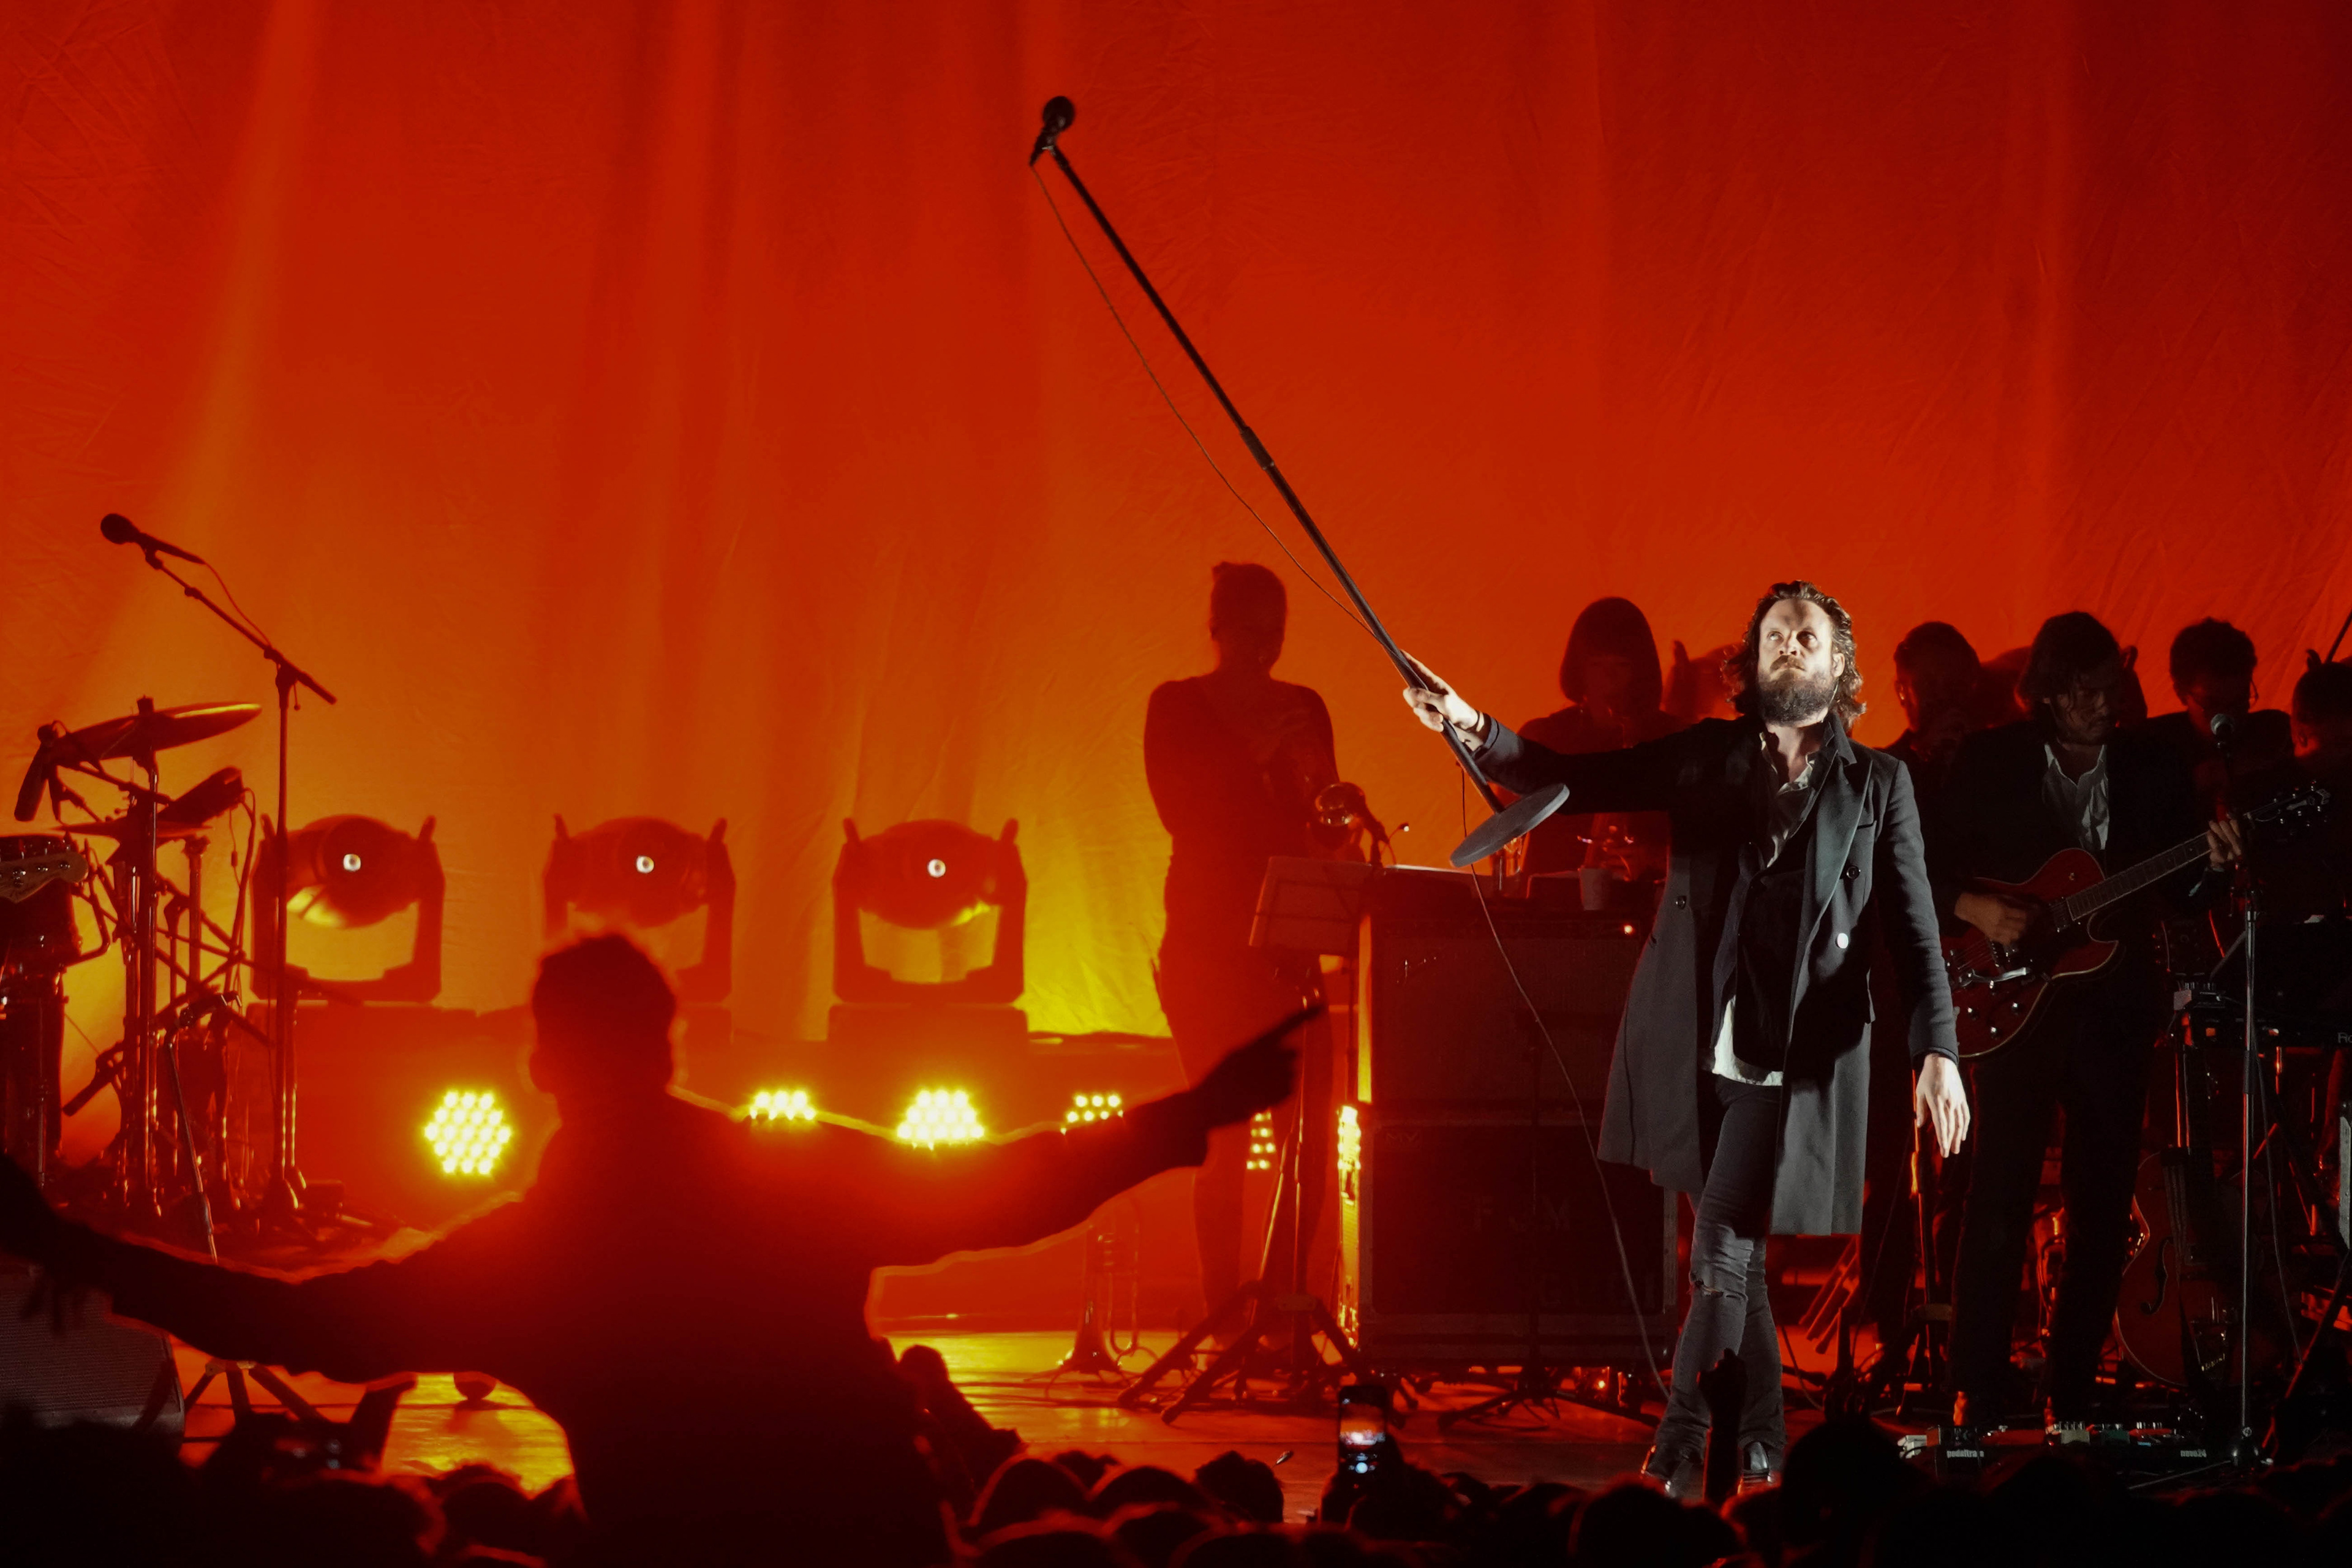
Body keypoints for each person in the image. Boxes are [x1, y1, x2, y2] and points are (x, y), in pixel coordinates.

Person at [0, 934, 1299, 1567]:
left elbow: (302, 1325)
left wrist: (68, 1241)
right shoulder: (784, 1173)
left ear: (543, 1068)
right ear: (671, 1047)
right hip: (876, 1546)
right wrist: (1189, 1111)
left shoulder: (537, 1258)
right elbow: (1009, 1187)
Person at [1400, 581, 1969, 1498]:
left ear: (1839, 664)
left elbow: (1912, 924)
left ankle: (1678, 1444)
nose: (1791, 646)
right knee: (1735, 1261)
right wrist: (1468, 722)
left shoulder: (1878, 784)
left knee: (1719, 1256)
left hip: (1802, 1057)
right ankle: (1764, 1443)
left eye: (1808, 636)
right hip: (1703, 1041)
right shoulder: (1709, 755)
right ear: (1752, 659)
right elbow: (1574, 779)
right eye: (1776, 634)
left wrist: (1937, 1051)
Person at [1932, 612, 2241, 1441]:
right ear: (2050, 692)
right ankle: (1973, 1389)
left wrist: (2214, 866)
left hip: (2112, 1011)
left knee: (2102, 1208)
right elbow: (1917, 861)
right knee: (1997, 1201)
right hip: (2011, 1005)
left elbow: (2181, 891)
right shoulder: (1992, 759)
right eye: (2090, 692)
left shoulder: (2150, 764)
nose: (2109, 705)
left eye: (2114, 689)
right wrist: (1974, 907)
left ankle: (2070, 1391)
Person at [1145, 562, 1343, 1324]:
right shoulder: (1176, 705)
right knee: (1222, 1138)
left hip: (1287, 947)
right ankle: (1222, 1313)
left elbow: (1322, 818)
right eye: (1252, 629)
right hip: (1208, 945)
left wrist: (1323, 804)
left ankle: (1285, 1306)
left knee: (1309, 1136)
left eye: (1277, 631)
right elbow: (1181, 812)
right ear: (1219, 629)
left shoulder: (1305, 705)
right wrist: (1252, 754)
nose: (1266, 646)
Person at [1858, 621, 1993, 1362]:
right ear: (1902, 693)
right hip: (1898, 995)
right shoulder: (1881, 773)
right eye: (1925, 687)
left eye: (1952, 685)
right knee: (1890, 1161)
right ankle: (1888, 1318)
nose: (1940, 699)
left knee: (1972, 1164)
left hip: (1987, 989)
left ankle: (1964, 1320)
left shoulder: (1999, 769)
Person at [1516, 597, 1683, 888]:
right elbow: (1505, 838)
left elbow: (1716, 847)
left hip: (1644, 905)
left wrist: (1656, 858)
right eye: (1596, 665)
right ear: (1578, 670)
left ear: (1640, 673)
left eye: (1622, 665)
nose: (1609, 680)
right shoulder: (1543, 736)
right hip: (1551, 903)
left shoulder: (1676, 741)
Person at [2143, 617, 2294, 816]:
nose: (2229, 715)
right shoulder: (2153, 746)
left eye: (2240, 700)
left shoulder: (2276, 733)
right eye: (2213, 704)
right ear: (2181, 692)